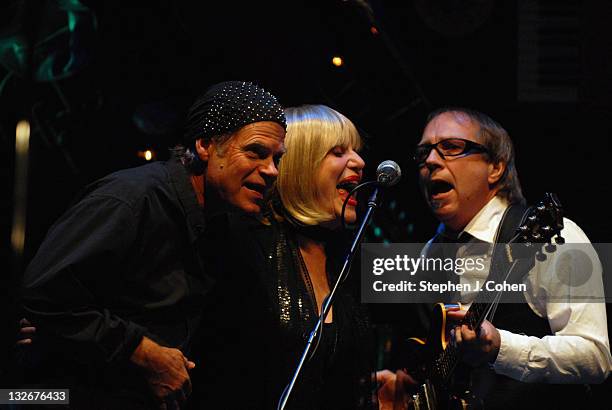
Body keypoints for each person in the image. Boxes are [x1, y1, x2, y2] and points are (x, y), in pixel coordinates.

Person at [18, 81, 287, 409]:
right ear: (204, 145)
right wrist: (143, 351)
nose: (271, 170)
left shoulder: (221, 225)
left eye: (277, 158)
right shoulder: (132, 199)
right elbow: (45, 293)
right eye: (256, 152)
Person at [191, 104, 402, 409]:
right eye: (338, 152)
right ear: (300, 164)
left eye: (356, 151)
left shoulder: (347, 258)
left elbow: (457, 275)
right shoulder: (238, 242)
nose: (359, 161)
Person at [412, 107, 611, 408]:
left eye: (451, 148)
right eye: (424, 152)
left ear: (495, 167)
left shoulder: (554, 237)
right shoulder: (429, 253)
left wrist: (501, 348)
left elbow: (595, 358)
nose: (430, 161)